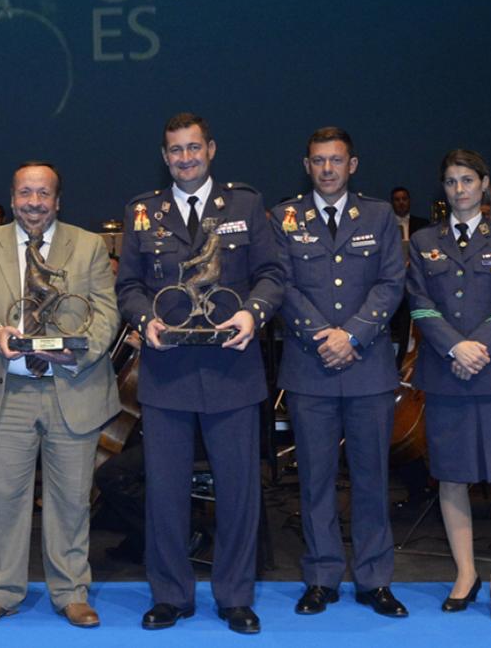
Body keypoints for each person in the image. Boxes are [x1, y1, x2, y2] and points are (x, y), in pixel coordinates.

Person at [115, 113, 284, 634]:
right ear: (165, 157)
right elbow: (128, 287)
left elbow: (272, 275)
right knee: (164, 493)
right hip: (167, 373)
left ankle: (235, 596)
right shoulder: (143, 211)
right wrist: (145, 320)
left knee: (238, 491)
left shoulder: (246, 204)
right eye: (175, 151)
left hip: (232, 369)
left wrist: (252, 314)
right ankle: (170, 595)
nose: (185, 158)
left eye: (193, 148)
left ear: (210, 149)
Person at [0, 162, 119, 628]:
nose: (34, 202)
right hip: (6, 391)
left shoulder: (88, 246)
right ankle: (1, 591)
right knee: (3, 497)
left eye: (43, 194)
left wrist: (79, 353)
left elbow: (106, 314)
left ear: (58, 200)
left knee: (70, 499)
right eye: (25, 193)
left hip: (73, 387)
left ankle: (70, 591)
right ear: (12, 197)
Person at [271, 128, 408, 618]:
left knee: (373, 479)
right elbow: (280, 285)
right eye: (318, 161)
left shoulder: (378, 216)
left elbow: (393, 283)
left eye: (336, 160)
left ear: (353, 164)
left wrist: (351, 335)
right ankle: (321, 577)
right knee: (315, 479)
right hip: (311, 369)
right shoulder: (283, 217)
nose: (327, 169)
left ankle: (375, 580)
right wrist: (321, 337)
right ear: (305, 165)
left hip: (368, 366)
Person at [406, 148, 491, 624]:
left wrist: (476, 348)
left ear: (484, 184)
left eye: (467, 180)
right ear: (442, 190)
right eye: (450, 182)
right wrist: (454, 349)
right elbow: (419, 305)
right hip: (446, 376)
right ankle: (465, 573)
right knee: (453, 476)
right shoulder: (423, 241)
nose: (459, 189)